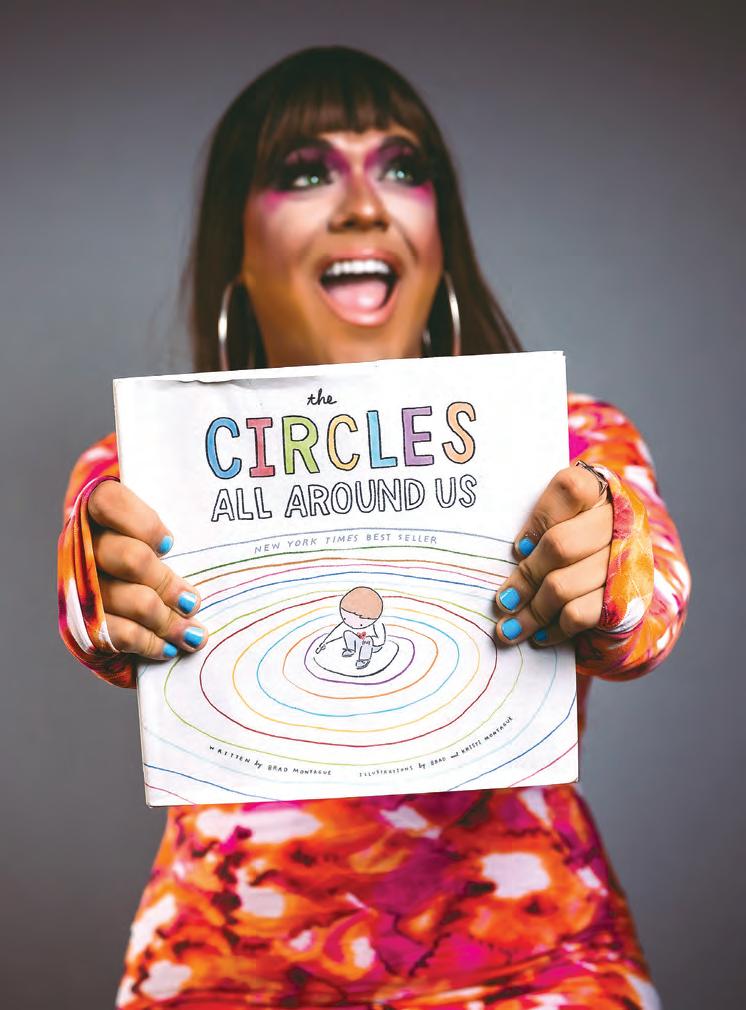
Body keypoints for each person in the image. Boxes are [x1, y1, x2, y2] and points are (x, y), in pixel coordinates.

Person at [57, 45, 690, 1010]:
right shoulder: (136, 466)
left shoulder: (572, 441)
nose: (363, 204)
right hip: (221, 965)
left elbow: (648, 617)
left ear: (440, 238)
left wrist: (612, 568)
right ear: (237, 245)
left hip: (534, 959)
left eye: (401, 167)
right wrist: (103, 594)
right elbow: (92, 618)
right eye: (306, 172)